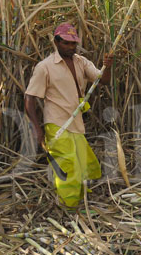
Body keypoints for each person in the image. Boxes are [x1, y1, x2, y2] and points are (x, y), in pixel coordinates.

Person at [25, 22, 113, 207]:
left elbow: (102, 81)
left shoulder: (81, 62)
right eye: (66, 43)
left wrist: (108, 66)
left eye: (73, 43)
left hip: (76, 122)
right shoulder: (45, 67)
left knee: (83, 163)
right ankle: (69, 207)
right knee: (68, 165)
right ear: (56, 42)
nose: (71, 47)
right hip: (56, 124)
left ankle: (79, 199)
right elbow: (30, 99)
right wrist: (37, 129)